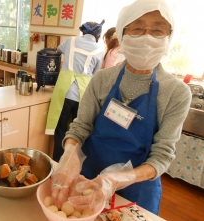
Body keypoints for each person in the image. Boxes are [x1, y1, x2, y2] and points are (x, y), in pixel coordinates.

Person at [51, 0, 192, 215]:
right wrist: (69, 156)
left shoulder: (176, 93)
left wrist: (115, 180)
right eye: (137, 28)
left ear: (169, 37)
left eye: (157, 29)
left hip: (137, 191)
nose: (147, 37)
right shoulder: (102, 79)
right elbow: (80, 127)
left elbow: (162, 156)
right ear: (123, 33)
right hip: (87, 180)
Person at [45, 20, 105, 162]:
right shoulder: (99, 50)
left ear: (83, 31)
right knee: (77, 132)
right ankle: (72, 164)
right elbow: (95, 73)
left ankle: (57, 163)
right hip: (83, 95)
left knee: (60, 130)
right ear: (98, 35)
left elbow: (58, 49)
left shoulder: (71, 41)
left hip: (64, 92)